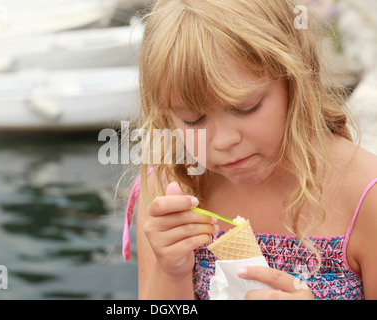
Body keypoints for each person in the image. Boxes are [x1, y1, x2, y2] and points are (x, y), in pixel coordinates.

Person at [121, 0, 377, 300]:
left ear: (295, 82)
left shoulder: (365, 197)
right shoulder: (170, 188)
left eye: (246, 107)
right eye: (193, 119)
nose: (222, 141)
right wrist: (171, 272)